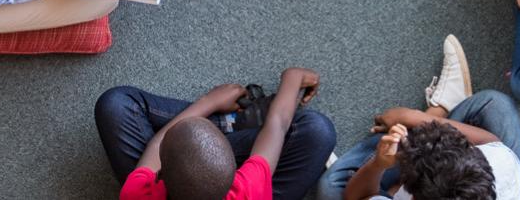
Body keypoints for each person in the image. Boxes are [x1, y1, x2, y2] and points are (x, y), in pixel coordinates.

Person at [317, 36, 520, 200]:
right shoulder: (499, 165)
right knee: (494, 104)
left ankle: (439, 111)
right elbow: (489, 141)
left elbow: (356, 196)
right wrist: (414, 117)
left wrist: (379, 164)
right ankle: (438, 112)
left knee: (331, 188)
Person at [95, 67, 338, 199]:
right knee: (318, 132)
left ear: (159, 176)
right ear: (236, 173)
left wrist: (208, 102)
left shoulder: (138, 194)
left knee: (115, 104)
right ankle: (231, 124)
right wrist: (292, 78)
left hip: (173, 170)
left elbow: (158, 145)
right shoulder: (247, 191)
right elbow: (278, 124)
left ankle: (221, 122)